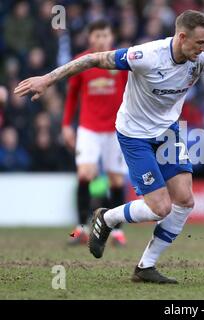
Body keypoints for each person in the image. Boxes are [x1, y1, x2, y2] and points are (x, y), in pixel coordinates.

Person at [14, 10, 204, 284]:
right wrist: (47, 78)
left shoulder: (203, 58)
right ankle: (106, 218)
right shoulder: (146, 56)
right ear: (182, 36)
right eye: (200, 43)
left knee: (185, 201)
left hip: (167, 133)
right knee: (160, 208)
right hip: (135, 135)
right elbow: (93, 59)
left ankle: (145, 267)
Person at [62, 20, 129, 246]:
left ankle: (117, 232)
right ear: (90, 38)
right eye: (97, 35)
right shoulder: (81, 62)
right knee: (85, 174)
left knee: (116, 179)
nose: (101, 39)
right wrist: (65, 125)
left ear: (111, 38)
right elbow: (72, 96)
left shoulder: (120, 61)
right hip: (88, 128)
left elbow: (131, 93)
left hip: (115, 130)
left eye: (105, 35)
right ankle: (80, 228)